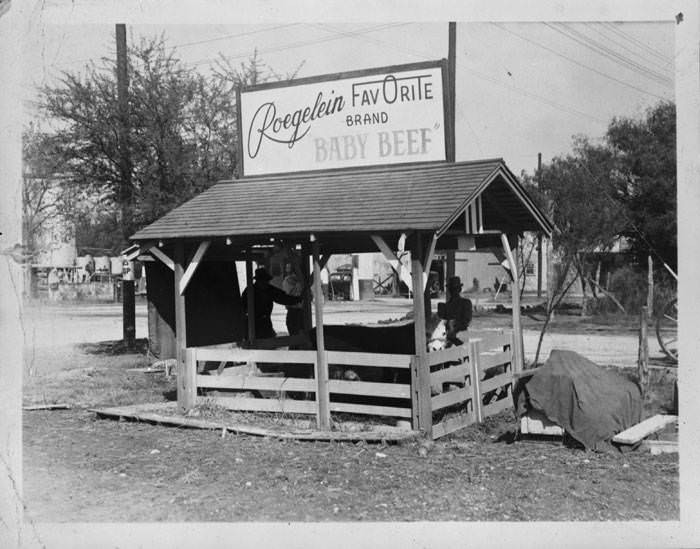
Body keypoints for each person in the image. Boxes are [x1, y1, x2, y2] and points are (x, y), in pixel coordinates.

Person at [242, 267, 302, 339]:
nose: (266, 283)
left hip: (265, 325)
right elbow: (242, 307)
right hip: (252, 325)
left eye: (266, 281)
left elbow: (283, 298)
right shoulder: (249, 291)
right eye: (264, 281)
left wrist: (299, 299)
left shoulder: (269, 290)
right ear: (258, 281)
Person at [438, 276, 473, 346]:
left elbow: (466, 321)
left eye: (455, 289)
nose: (454, 291)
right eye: (453, 289)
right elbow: (440, 325)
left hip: (461, 340)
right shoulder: (444, 306)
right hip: (449, 341)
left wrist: (452, 326)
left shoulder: (465, 303)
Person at [282, 262, 304, 335]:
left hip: (292, 310)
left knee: (293, 332)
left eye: (287, 268)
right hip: (302, 311)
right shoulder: (303, 280)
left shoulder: (287, 280)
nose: (286, 269)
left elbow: (285, 295)